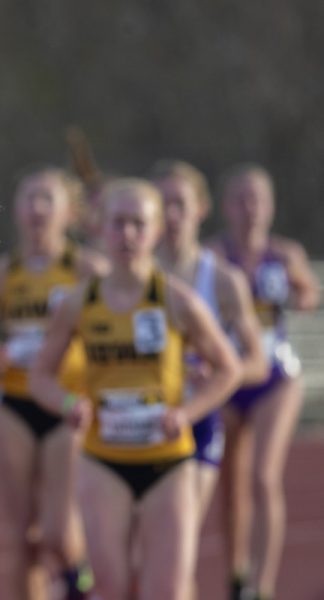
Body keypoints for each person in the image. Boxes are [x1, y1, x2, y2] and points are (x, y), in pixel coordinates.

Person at [30, 178, 241, 600]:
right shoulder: (79, 302)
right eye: (118, 223)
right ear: (101, 229)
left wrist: (187, 412)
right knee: (111, 588)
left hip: (168, 462)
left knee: (170, 591)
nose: (127, 234)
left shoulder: (176, 300)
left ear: (157, 230)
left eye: (138, 224)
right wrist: (69, 402)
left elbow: (229, 369)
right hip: (103, 460)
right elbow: (40, 377)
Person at [0, 166, 106, 599]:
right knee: (24, 537)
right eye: (28, 197)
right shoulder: (2, 273)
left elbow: (114, 326)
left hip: (65, 401)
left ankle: (80, 583)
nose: (36, 208)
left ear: (68, 213)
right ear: (16, 208)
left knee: (58, 531)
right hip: (15, 402)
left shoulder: (88, 269)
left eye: (47, 199)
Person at [206, 164, 320, 600]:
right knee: (231, 484)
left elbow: (308, 296)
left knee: (264, 476)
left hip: (275, 374)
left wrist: (296, 292)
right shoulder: (214, 256)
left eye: (258, 199)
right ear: (226, 206)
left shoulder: (285, 254)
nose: (250, 209)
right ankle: (237, 577)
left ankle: (263, 584)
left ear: (270, 207)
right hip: (232, 375)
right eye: (241, 199)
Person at [152, 160, 268, 521]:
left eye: (180, 205)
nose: (172, 216)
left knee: (177, 540)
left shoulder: (222, 280)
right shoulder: (127, 277)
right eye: (163, 205)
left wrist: (215, 372)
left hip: (195, 420)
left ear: (200, 209)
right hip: (136, 420)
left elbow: (258, 362)